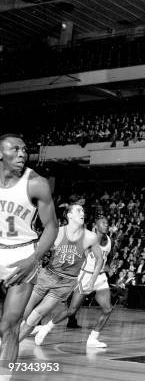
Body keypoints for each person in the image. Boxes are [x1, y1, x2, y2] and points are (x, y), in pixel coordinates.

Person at [0, 134, 59, 368]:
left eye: (24, 149)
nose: (22, 153)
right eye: (14, 149)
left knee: (9, 326)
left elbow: (52, 227)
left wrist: (33, 259)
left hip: (21, 255)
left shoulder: (36, 183)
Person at [18, 203, 103, 344]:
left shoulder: (90, 237)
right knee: (23, 311)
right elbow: (38, 251)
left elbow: (99, 259)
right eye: (78, 210)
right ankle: (5, 339)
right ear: (69, 215)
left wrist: (92, 280)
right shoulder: (57, 232)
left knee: (35, 316)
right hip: (48, 275)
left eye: (83, 210)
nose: (82, 212)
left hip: (66, 283)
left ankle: (11, 347)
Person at [34, 216, 113, 347]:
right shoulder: (88, 239)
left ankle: (93, 339)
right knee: (72, 310)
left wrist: (108, 266)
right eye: (103, 223)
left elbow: (107, 257)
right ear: (96, 226)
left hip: (100, 277)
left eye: (107, 223)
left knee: (108, 309)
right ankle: (46, 328)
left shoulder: (110, 240)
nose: (107, 225)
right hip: (86, 276)